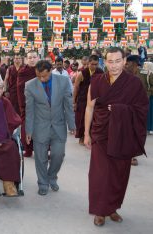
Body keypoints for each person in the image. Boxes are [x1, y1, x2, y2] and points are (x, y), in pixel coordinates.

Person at [84, 47, 149, 226]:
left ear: (124, 60)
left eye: (118, 61)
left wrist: (121, 110)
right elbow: (89, 107)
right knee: (100, 174)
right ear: (105, 62)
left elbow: (142, 109)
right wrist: (86, 133)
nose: (114, 66)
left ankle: (112, 208)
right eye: (110, 62)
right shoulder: (97, 81)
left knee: (119, 174)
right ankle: (100, 210)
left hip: (123, 135)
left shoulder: (134, 83)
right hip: (101, 134)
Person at [25, 60, 75, 195]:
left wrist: (72, 124)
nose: (41, 79)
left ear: (50, 71)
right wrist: (28, 130)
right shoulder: (30, 86)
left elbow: (68, 105)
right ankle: (42, 183)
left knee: (58, 155)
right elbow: (29, 110)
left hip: (58, 125)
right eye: (38, 76)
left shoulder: (63, 81)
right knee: (40, 158)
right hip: (40, 126)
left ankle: (52, 176)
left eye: (45, 76)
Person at [73, 55, 103, 145]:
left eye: (96, 64)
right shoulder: (82, 73)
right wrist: (74, 101)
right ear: (88, 63)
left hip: (96, 100)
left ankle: (91, 136)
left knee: (95, 119)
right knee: (81, 119)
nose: (94, 66)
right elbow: (76, 88)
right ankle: (82, 137)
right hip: (83, 100)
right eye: (92, 64)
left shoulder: (101, 72)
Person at [17, 50, 39, 157]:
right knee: (27, 125)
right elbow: (20, 88)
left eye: (34, 57)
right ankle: (28, 149)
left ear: (38, 58)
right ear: (26, 59)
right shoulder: (22, 71)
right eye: (30, 57)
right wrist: (22, 104)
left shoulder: (43, 69)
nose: (32, 59)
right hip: (27, 103)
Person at [142, 62, 153, 134]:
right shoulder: (145, 74)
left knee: (150, 113)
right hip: (146, 97)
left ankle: (149, 128)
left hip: (151, 97)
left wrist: (149, 92)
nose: (144, 67)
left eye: (146, 66)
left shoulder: (151, 75)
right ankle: (147, 128)